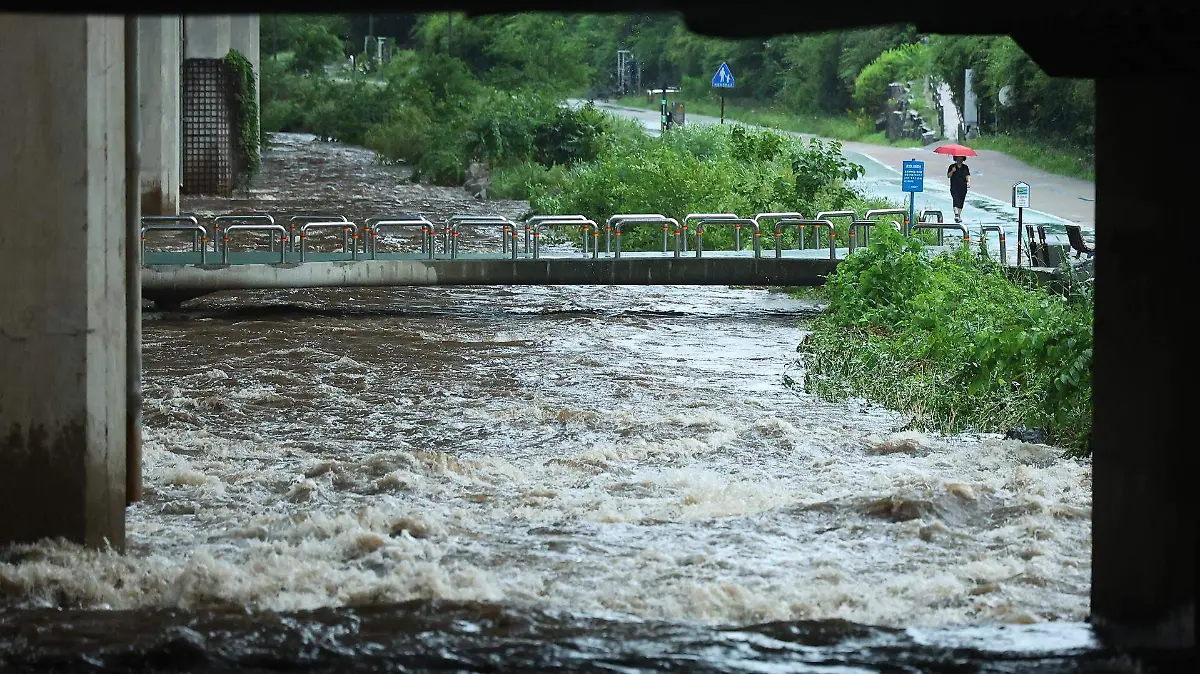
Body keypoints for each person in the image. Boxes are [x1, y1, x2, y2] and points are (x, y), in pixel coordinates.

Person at [947, 155, 971, 223]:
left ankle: (958, 216)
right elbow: (948, 176)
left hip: (963, 187)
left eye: (961, 158)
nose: (959, 159)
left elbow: (967, 175)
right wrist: (952, 171)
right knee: (955, 199)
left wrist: (968, 182)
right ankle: (956, 214)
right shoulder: (952, 166)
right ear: (955, 158)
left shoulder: (965, 167)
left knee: (961, 201)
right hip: (954, 187)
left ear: (963, 158)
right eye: (958, 158)